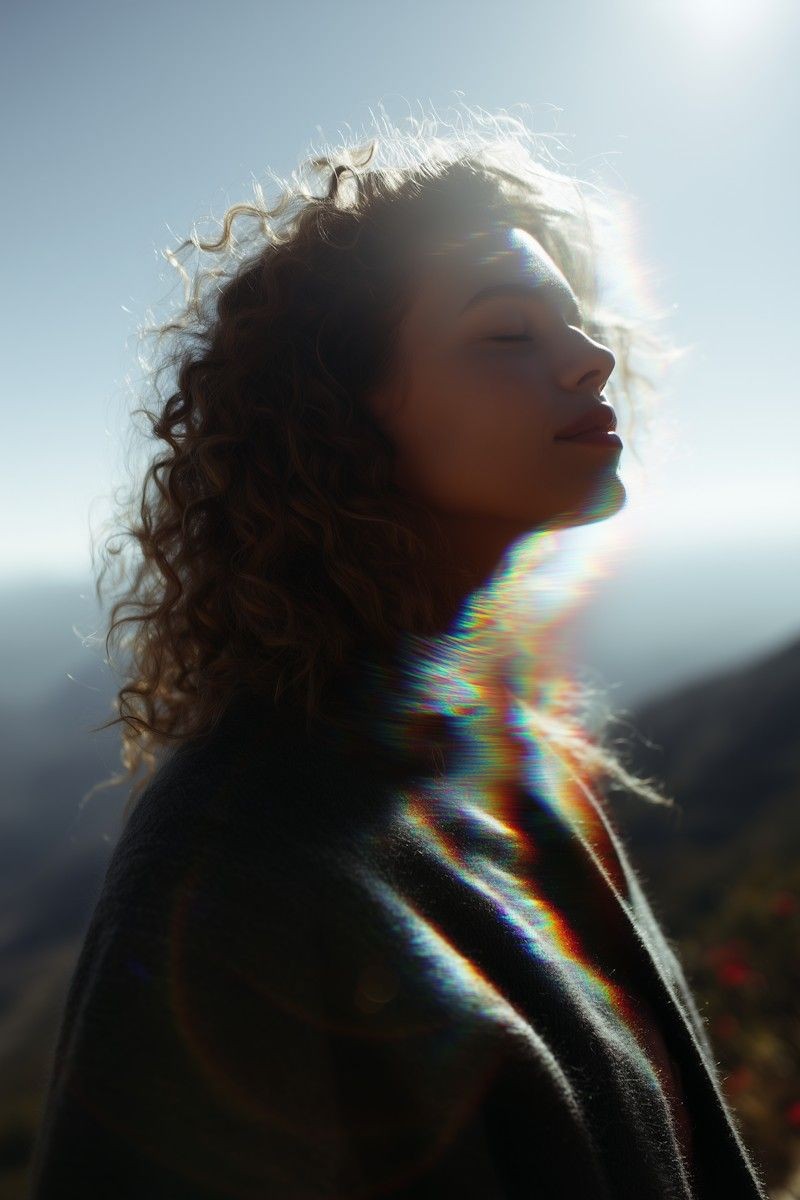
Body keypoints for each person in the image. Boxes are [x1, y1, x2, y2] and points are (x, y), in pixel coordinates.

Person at [28, 108, 767, 1198]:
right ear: (347, 415)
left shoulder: (510, 761)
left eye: (572, 321)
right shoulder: (241, 859)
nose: (593, 357)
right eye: (506, 333)